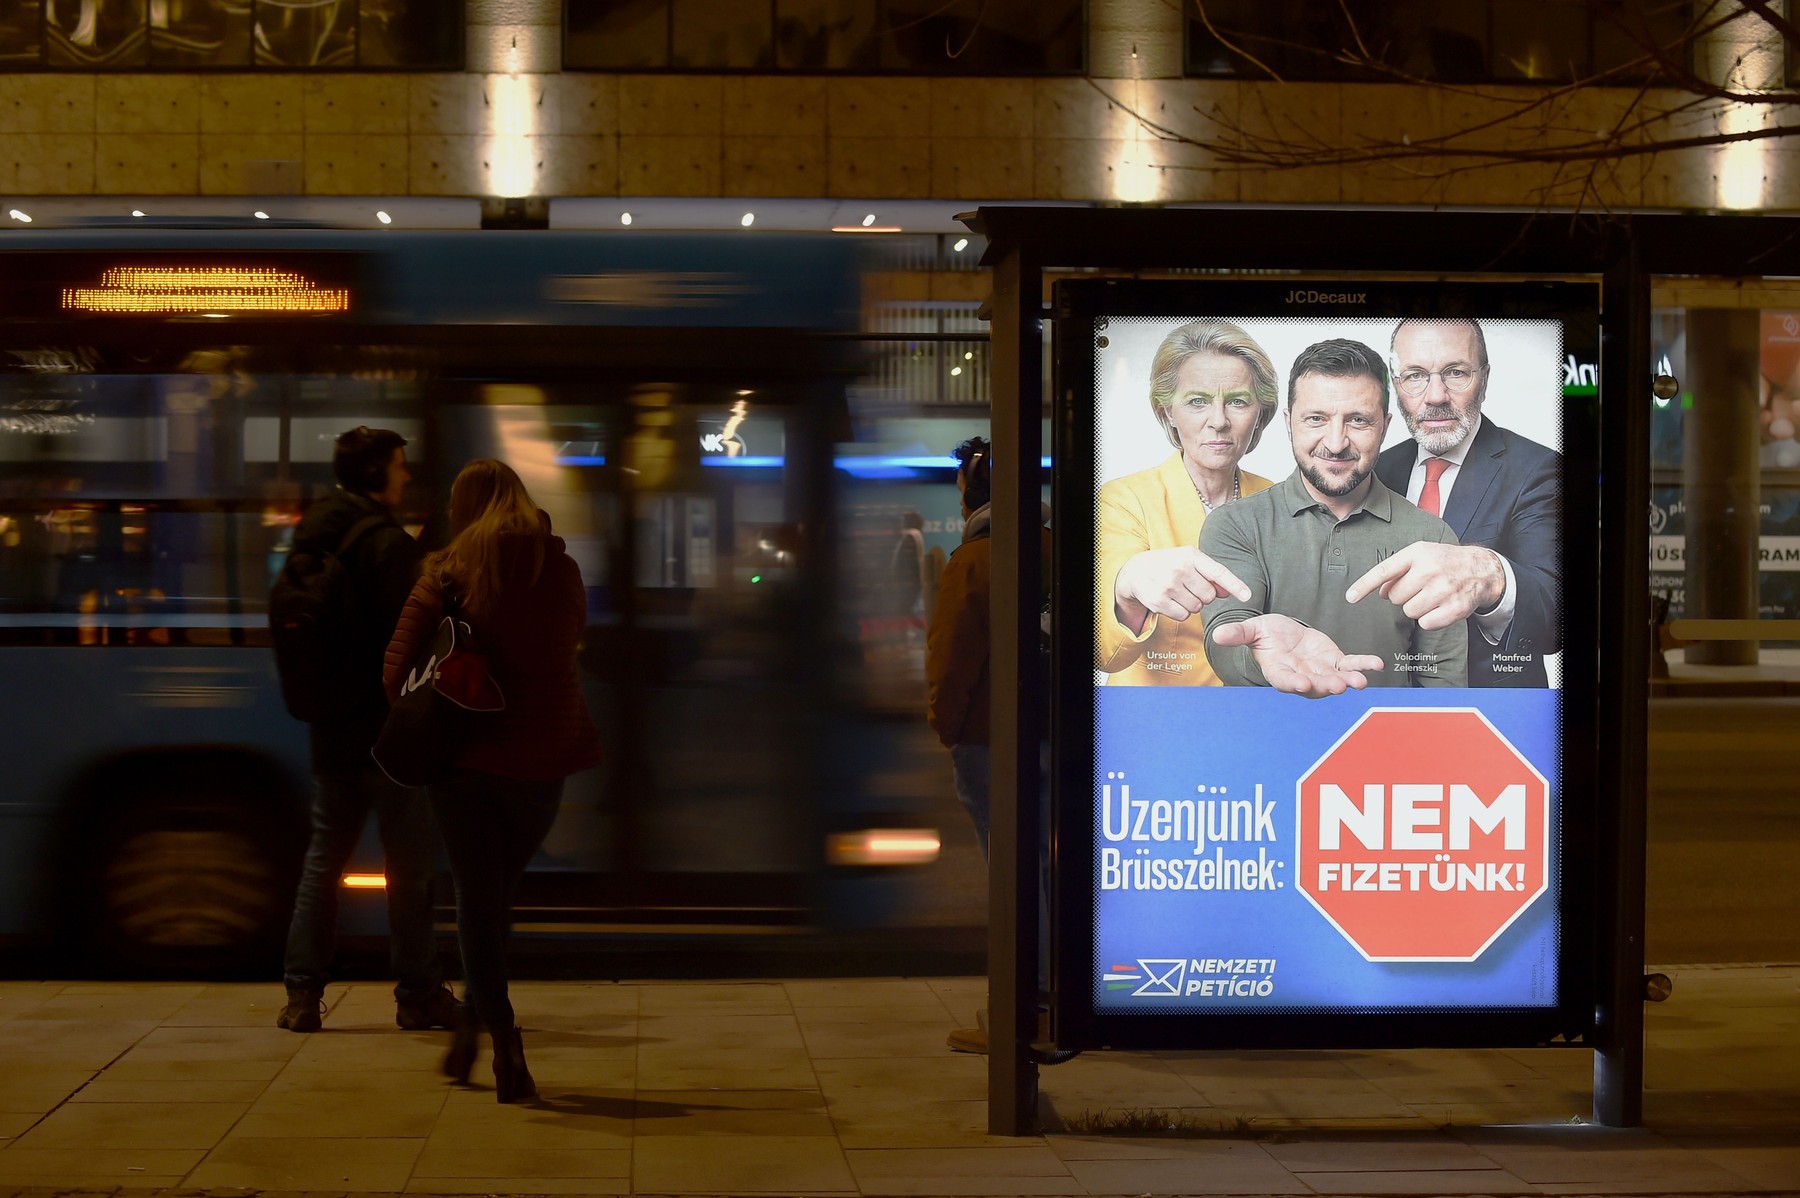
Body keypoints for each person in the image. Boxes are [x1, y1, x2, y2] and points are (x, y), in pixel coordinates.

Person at [383, 459, 601, 1103]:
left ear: (462, 508)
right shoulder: (560, 570)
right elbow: (572, 645)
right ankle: (475, 1026)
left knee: (477, 903)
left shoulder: (446, 575)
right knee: (495, 899)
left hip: (466, 762)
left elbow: (397, 675)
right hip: (546, 757)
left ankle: (503, 1040)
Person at [278, 427, 458, 1034]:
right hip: (388, 736)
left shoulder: (312, 534)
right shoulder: (385, 545)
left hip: (331, 732)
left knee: (322, 862)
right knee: (409, 867)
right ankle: (418, 993)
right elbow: (415, 642)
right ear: (379, 471)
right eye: (400, 467)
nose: (405, 477)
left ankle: (302, 994)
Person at [1201, 339, 1469, 692]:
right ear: (1288, 423)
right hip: (1263, 741)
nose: (1336, 442)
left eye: (1358, 420)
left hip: (1385, 741)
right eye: (1316, 419)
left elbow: (1442, 684)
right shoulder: (1233, 525)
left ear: (1385, 427)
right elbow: (1226, 637)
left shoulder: (1432, 538)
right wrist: (1265, 658)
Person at [1350, 318, 1562, 686]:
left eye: (1456, 373)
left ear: (1485, 378)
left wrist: (1490, 576)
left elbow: (1555, 615)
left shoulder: (1539, 470)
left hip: (1489, 715)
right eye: (1415, 375)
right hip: (1379, 703)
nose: (1435, 396)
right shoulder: (1374, 470)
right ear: (1394, 385)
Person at [926, 437, 1052, 1054]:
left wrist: (945, 725)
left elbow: (953, 659)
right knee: (1050, 869)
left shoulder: (975, 561)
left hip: (991, 739)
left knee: (1010, 870)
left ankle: (1022, 1011)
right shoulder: (1062, 550)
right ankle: (1055, 996)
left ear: (977, 493)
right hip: (1059, 735)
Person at [1096, 319, 1272, 684]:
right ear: (1167, 413)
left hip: (1257, 720)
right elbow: (1105, 653)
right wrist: (1127, 588)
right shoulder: (1124, 499)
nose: (1219, 421)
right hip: (1160, 721)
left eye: (1238, 401)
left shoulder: (1278, 498)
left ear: (1261, 414)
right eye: (1197, 402)